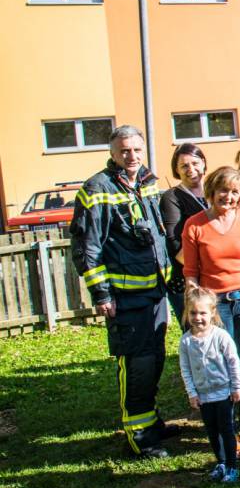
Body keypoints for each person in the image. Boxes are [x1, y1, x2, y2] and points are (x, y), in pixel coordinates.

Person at [71, 126, 174, 458]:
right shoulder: (96, 189)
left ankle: (151, 420)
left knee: (155, 358)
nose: (132, 156)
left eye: (137, 150)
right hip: (125, 297)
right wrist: (101, 294)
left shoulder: (147, 183)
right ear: (113, 153)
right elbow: (87, 248)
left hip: (154, 291)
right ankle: (139, 435)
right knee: (137, 364)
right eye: (125, 151)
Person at [182, 166, 240, 456]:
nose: (229, 196)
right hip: (215, 304)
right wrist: (194, 304)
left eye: (235, 192)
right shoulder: (194, 225)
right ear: (211, 191)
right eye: (224, 190)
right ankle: (228, 429)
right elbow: (191, 272)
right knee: (221, 366)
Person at [178, 286, 240, 483]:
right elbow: (186, 369)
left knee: (226, 429)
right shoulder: (186, 342)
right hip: (203, 396)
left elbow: (233, 361)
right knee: (212, 431)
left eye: (202, 313)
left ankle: (232, 466)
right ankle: (221, 462)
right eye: (193, 313)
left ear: (213, 312)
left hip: (223, 393)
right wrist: (192, 393)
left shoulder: (220, 336)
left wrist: (236, 386)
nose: (198, 317)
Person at [161, 143, 208, 322]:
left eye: (195, 163)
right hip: (186, 277)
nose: (191, 169)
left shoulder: (215, 192)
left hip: (215, 274)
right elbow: (174, 244)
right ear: (176, 170)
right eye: (184, 166)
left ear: (203, 163)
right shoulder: (171, 198)